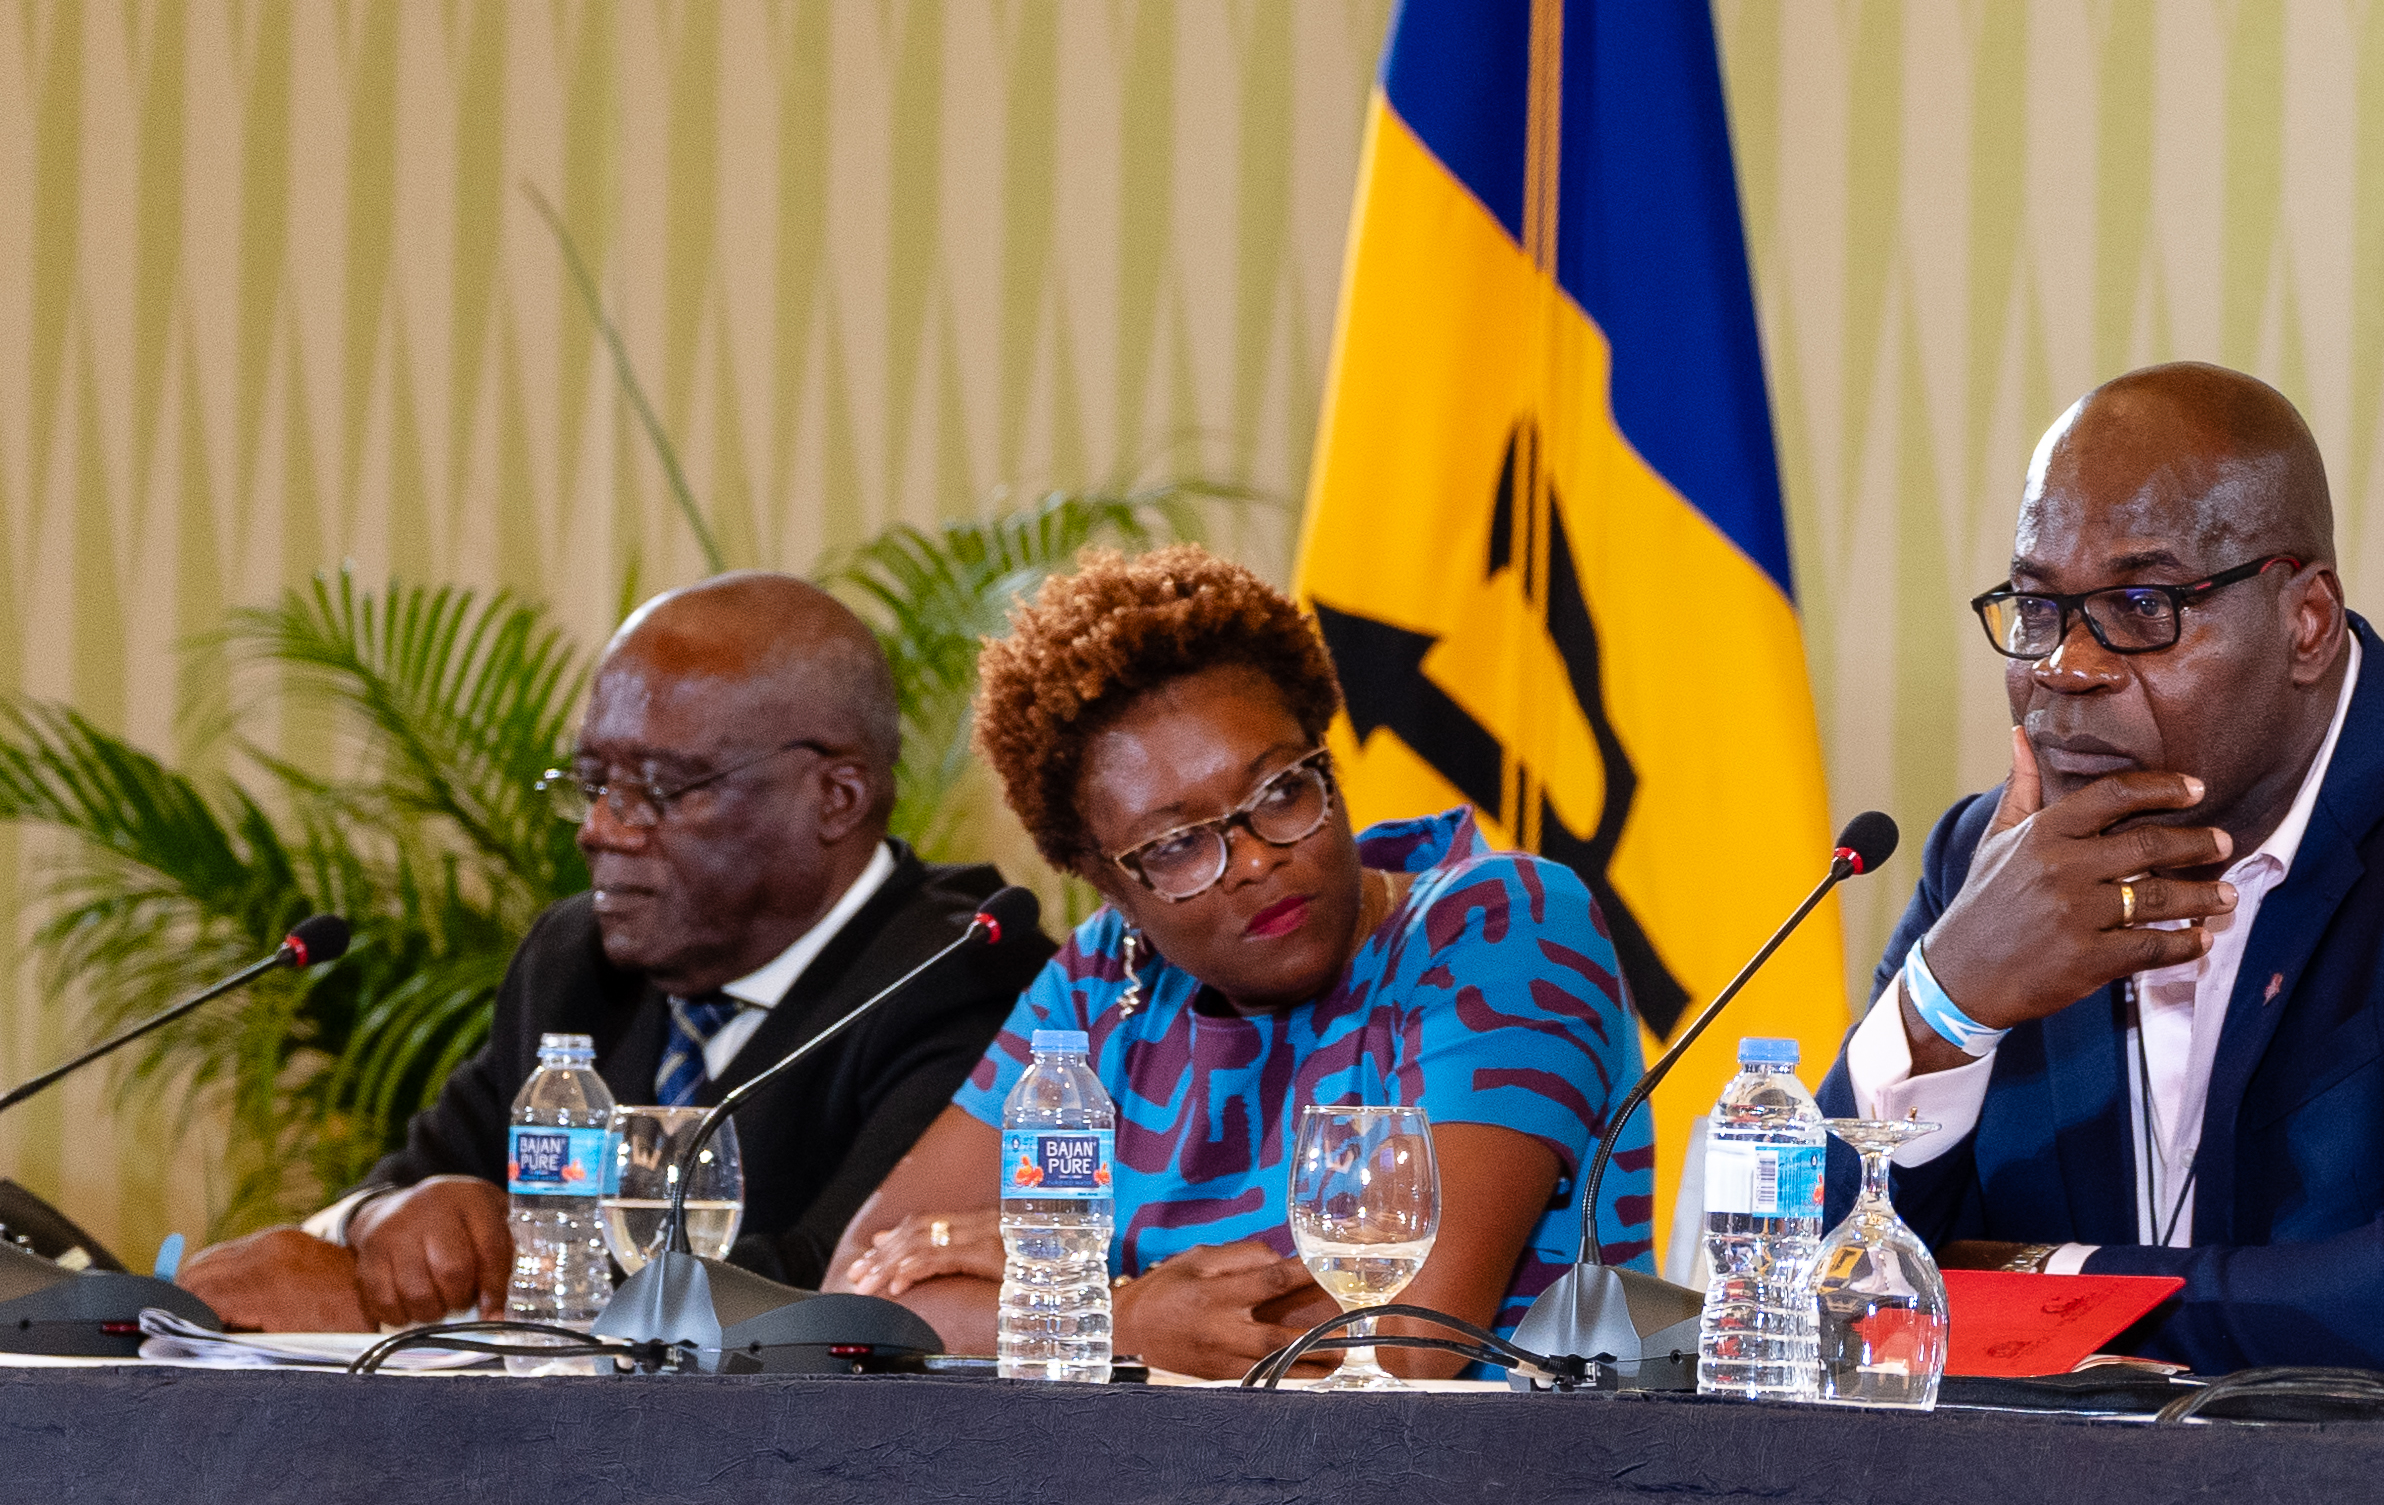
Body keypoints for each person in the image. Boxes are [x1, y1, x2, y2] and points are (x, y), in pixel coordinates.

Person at [1845, 363, 2384, 1378]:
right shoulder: (1992, 864)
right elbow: (1810, 1290)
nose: (2065, 666)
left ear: (2306, 620)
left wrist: (2042, 1284)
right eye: (2037, 607)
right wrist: (1948, 1002)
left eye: (2138, 603)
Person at [828, 546, 1640, 1376]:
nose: (1254, 859)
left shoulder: (1499, 925)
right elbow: (856, 1303)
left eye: (1283, 790)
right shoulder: (1102, 979)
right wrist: (1126, 1317)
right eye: (1177, 844)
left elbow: (1401, 1341)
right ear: (1108, 883)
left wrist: (1068, 1293)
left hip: (1479, 1489)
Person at [174, 577, 1049, 1329]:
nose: (601, 830)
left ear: (834, 797)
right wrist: (381, 1222)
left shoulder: (966, 974)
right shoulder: (574, 961)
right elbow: (425, 1184)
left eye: (659, 789)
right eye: (593, 784)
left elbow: (834, 1289)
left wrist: (445, 1291)